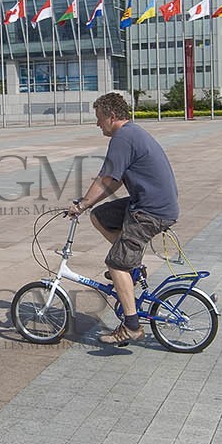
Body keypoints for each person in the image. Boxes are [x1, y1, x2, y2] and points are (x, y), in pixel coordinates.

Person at [65, 91, 181, 346]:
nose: (97, 124)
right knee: (101, 215)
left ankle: (131, 325)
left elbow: (107, 179)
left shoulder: (123, 138)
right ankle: (132, 266)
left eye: (99, 118)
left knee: (114, 264)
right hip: (148, 203)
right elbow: (112, 182)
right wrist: (88, 206)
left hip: (151, 211)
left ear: (111, 116)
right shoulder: (131, 133)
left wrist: (81, 204)